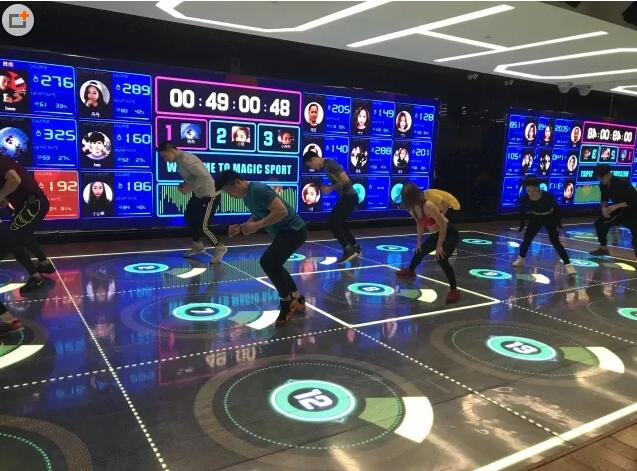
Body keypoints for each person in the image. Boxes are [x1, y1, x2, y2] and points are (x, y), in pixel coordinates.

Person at [218, 170, 307, 326]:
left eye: (229, 191)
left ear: (238, 182)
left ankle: (286, 302)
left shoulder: (258, 189)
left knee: (268, 262)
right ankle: (297, 299)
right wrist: (242, 227)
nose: (230, 195)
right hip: (285, 232)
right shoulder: (247, 195)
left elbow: (281, 211)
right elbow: (258, 214)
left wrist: (257, 225)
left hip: (294, 230)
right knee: (275, 263)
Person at [158, 141, 227, 262]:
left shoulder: (186, 159)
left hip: (210, 195)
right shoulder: (179, 160)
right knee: (189, 216)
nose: (164, 159)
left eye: (164, 156)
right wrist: (185, 184)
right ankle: (197, 245)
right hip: (199, 194)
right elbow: (193, 177)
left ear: (172, 151)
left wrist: (189, 188)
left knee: (203, 227)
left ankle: (220, 247)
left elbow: (203, 176)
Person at [395, 184, 461, 303]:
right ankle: (410, 271)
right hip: (435, 235)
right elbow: (419, 224)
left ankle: (454, 290)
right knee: (419, 251)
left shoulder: (428, 206)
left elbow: (443, 225)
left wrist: (439, 245)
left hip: (449, 233)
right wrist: (419, 242)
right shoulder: (412, 209)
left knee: (442, 258)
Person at [0, 156, 55, 293]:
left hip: (33, 203)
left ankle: (37, 276)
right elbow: (5, 198)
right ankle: (44, 264)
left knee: (13, 237)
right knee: (19, 235)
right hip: (29, 204)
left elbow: (15, 180)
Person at [304, 148, 361, 263]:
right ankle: (355, 247)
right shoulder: (326, 166)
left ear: (314, 159)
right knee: (341, 223)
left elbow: (345, 180)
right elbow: (339, 181)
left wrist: (330, 188)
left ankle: (348, 250)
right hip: (347, 197)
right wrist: (330, 187)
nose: (313, 168)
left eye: (311, 165)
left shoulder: (330, 164)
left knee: (331, 222)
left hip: (350, 197)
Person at [512, 177, 576, 275]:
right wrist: (521, 226)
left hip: (549, 217)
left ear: (538, 188)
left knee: (555, 242)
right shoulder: (525, 198)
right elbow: (522, 212)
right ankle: (520, 259)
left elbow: (556, 210)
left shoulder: (547, 196)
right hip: (536, 217)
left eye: (533, 190)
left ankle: (568, 265)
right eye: (528, 191)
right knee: (527, 240)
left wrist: (558, 224)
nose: (531, 193)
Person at [589, 164, 637, 258]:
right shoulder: (603, 185)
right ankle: (603, 248)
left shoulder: (621, 183)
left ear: (608, 174)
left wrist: (614, 207)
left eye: (601, 177)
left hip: (633, 212)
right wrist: (604, 208)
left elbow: (632, 201)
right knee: (600, 222)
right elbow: (604, 198)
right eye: (598, 177)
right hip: (620, 210)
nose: (600, 179)